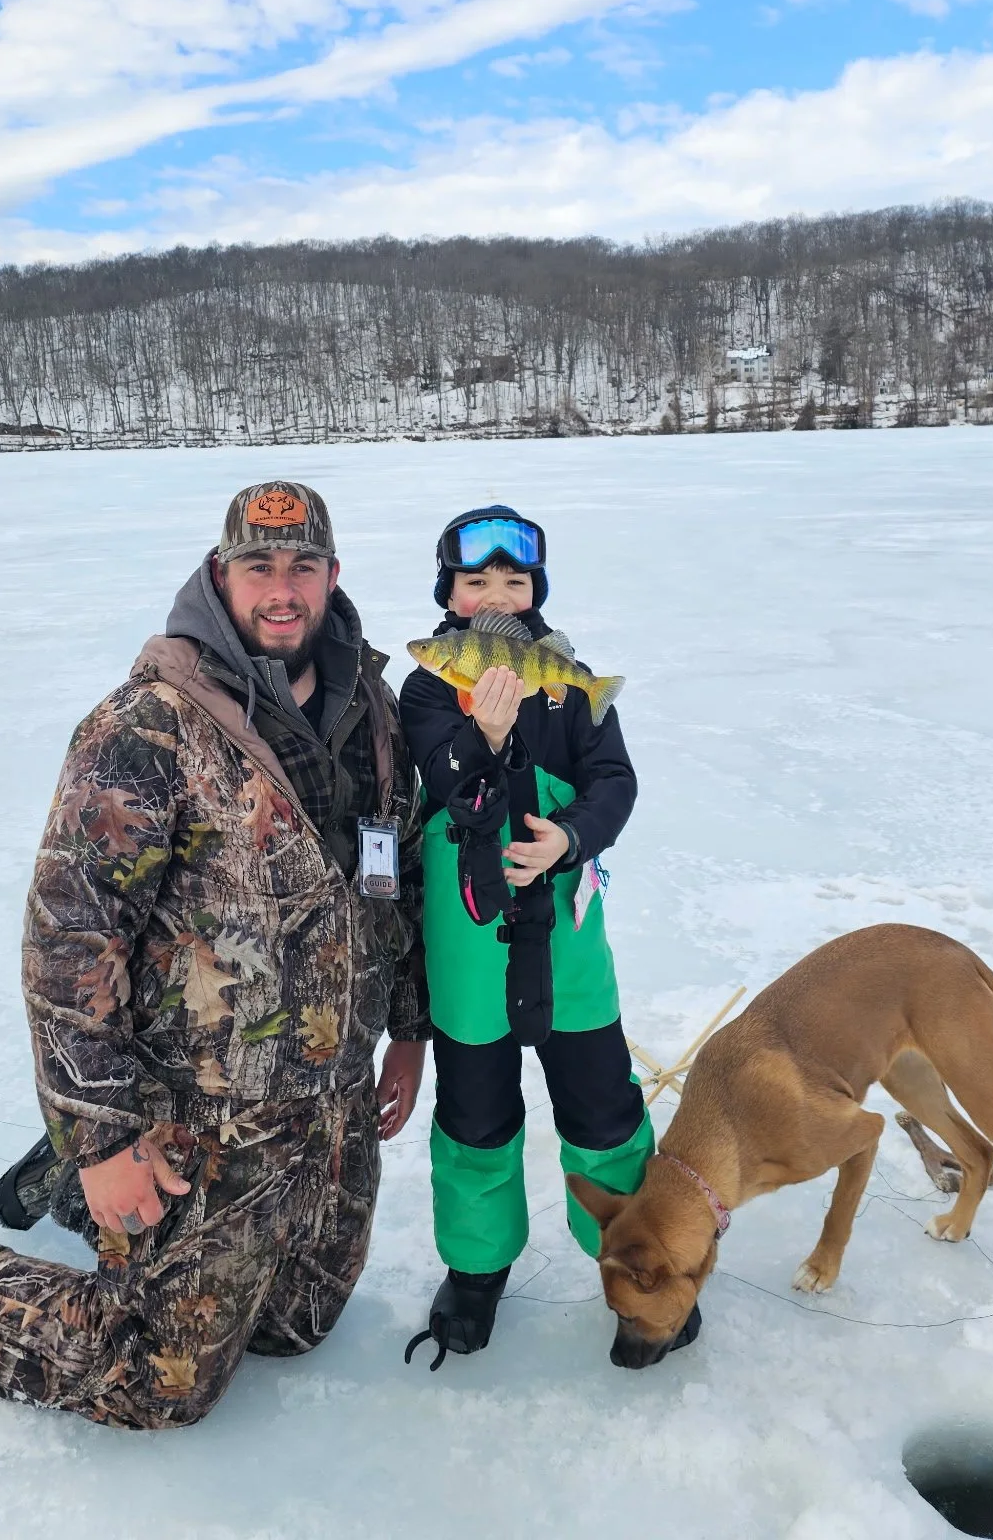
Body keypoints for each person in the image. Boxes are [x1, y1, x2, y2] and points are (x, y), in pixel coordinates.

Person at [0, 481, 430, 1427]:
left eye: (303, 567)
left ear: (332, 575)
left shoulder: (373, 712)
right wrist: (105, 1137)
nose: (284, 591)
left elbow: (392, 888)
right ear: (219, 575)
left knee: (298, 1324)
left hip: (328, 1108)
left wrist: (407, 1030)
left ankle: (60, 1189)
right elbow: (68, 942)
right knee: (163, 1379)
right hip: (198, 1115)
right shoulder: (147, 728)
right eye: (259, 568)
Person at [398, 504, 666, 1369]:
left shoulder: (571, 678)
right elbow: (444, 785)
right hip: (470, 949)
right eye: (476, 581)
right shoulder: (430, 684)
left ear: (536, 593)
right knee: (476, 1117)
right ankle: (477, 1271)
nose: (495, 594)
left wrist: (572, 836)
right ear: (449, 594)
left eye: (514, 581)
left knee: (604, 1111)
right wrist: (488, 734)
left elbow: (614, 782)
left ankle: (638, 1258)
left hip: (569, 945)